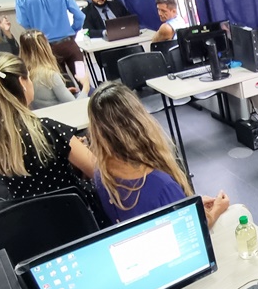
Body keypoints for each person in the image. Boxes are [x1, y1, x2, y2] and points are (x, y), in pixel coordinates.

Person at [87, 83, 230, 228]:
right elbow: (192, 229)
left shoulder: (102, 173)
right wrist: (215, 211)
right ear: (140, 120)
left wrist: (190, 204)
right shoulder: (162, 186)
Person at [0, 51, 96, 203]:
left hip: (27, 217)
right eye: (29, 77)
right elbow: (95, 171)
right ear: (22, 83)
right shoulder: (47, 129)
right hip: (74, 211)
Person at [14, 0, 85, 78]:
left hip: (46, 50)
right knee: (84, 78)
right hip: (69, 45)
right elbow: (80, 16)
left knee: (63, 86)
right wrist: (73, 31)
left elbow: (23, 22)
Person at [18, 30, 77, 109]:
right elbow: (75, 104)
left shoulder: (22, 75)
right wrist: (86, 86)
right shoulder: (50, 75)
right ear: (45, 48)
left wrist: (62, 92)